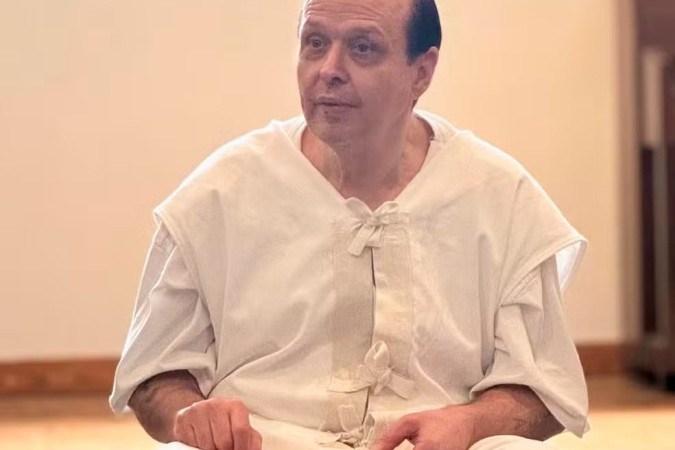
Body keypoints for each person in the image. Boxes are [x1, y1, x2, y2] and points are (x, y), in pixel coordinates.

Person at [110, 0, 589, 449]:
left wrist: (471, 422)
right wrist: (191, 414)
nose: (329, 70)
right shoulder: (218, 194)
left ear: (421, 72)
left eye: (363, 48)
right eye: (315, 43)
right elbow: (154, 378)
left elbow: (541, 390)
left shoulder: (499, 196)